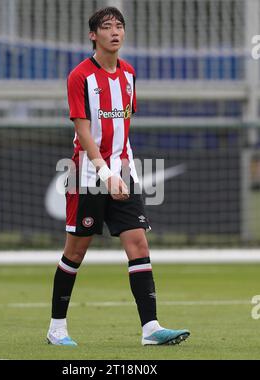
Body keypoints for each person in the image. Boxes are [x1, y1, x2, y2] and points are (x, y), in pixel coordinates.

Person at [47, 7, 190, 346]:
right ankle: (56, 328)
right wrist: (104, 171)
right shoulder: (80, 76)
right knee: (76, 252)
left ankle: (150, 328)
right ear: (93, 35)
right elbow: (83, 132)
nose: (115, 32)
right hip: (88, 173)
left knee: (138, 243)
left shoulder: (129, 74)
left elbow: (123, 126)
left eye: (120, 26)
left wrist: (124, 169)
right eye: (107, 27)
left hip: (124, 171)